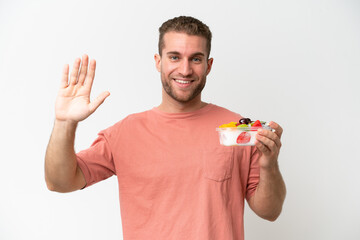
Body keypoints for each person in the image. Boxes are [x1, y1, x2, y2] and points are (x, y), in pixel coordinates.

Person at [45, 16, 286, 240]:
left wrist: (269, 164)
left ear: (208, 65)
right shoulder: (124, 134)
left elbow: (270, 211)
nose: (185, 69)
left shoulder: (236, 130)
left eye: (196, 58)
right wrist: (65, 123)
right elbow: (60, 182)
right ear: (158, 62)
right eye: (174, 57)